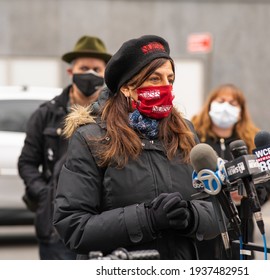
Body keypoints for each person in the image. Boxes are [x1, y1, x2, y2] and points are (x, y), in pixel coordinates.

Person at [52, 35, 221, 260]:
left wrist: (191, 216)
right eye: (154, 78)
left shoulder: (186, 133)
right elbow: (73, 227)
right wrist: (147, 218)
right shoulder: (91, 138)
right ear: (127, 88)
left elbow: (218, 212)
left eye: (169, 79)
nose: (165, 87)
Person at [17, 35, 112, 260]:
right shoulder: (46, 115)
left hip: (103, 224)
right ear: (71, 72)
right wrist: (45, 194)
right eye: (84, 67)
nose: (90, 74)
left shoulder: (114, 117)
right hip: (54, 227)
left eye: (97, 69)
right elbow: (27, 162)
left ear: (106, 73)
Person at [191, 83, 270, 259]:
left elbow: (266, 182)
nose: (226, 107)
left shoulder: (251, 141)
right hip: (204, 227)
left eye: (233, 103)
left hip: (241, 227)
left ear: (241, 110)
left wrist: (247, 194)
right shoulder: (192, 138)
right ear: (210, 104)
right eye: (221, 101)